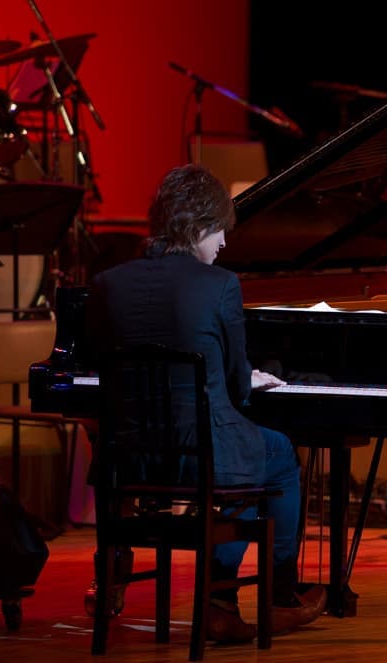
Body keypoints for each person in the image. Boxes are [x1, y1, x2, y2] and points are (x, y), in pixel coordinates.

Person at [84, 163, 325, 643]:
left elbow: (101, 369)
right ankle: (264, 597)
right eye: (219, 231)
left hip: (130, 456)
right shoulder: (220, 285)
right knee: (276, 454)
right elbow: (238, 389)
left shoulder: (107, 284)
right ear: (197, 228)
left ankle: (222, 602)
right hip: (203, 456)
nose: (224, 243)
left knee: (241, 455)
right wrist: (246, 378)